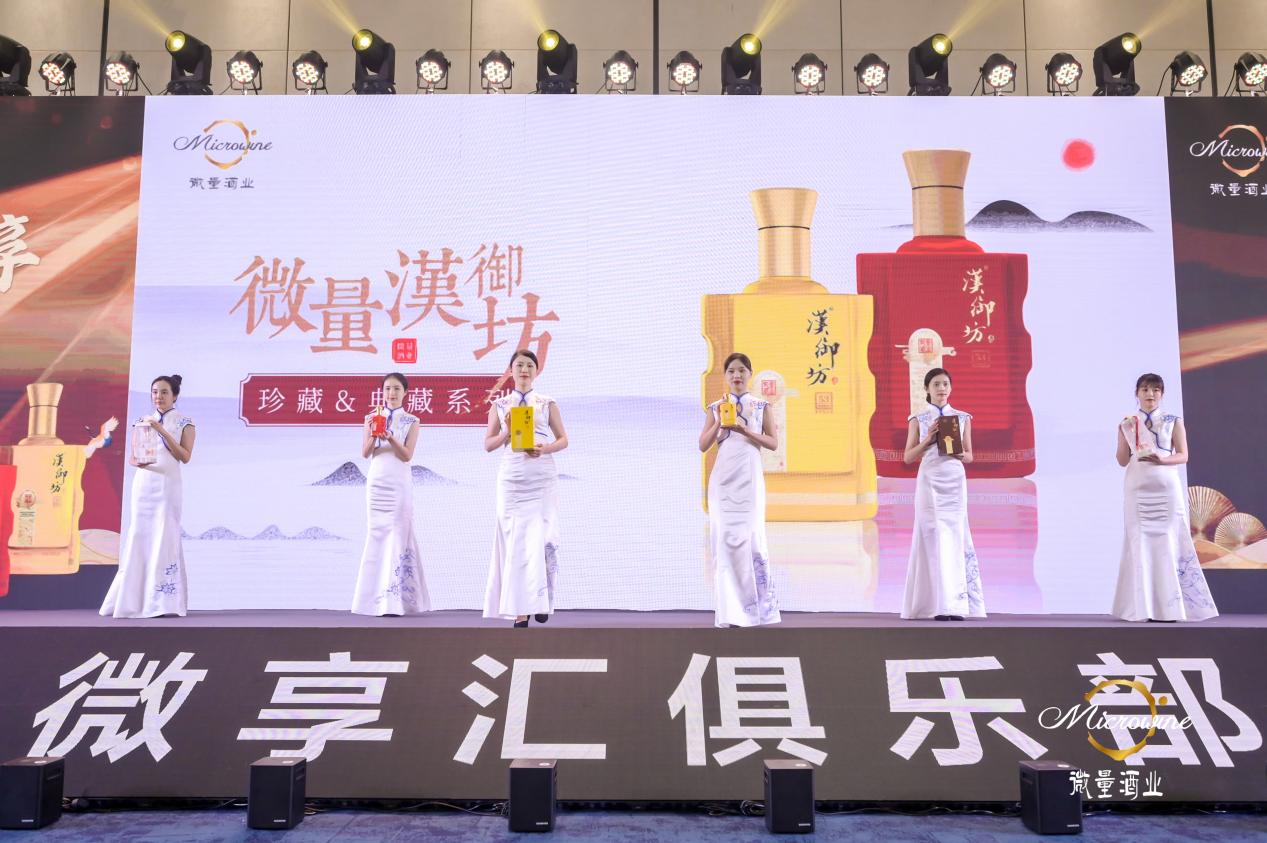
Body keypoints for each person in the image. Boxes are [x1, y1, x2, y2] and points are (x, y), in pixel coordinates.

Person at [1112, 373, 1217, 622]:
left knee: (1169, 542)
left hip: (1166, 490)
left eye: (1156, 390)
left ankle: (1172, 608)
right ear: (1137, 393)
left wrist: (1162, 459)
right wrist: (1123, 436)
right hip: (1137, 491)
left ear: (1162, 394)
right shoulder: (1128, 423)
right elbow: (1122, 461)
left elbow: (1183, 455)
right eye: (1145, 389)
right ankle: (1143, 609)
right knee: (1139, 543)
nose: (1150, 394)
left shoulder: (1173, 421)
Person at [482, 350, 569, 627]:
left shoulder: (546, 403)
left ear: (536, 371)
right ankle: (521, 611)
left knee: (543, 539)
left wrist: (545, 449)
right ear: (510, 370)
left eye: (529, 365)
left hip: (541, 476)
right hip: (512, 478)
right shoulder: (499, 404)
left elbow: (563, 439)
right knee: (516, 543)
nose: (524, 369)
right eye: (519, 365)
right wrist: (507, 432)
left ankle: (542, 600)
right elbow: (488, 444)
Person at [100, 375, 196, 618]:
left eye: (164, 392)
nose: (158, 396)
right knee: (139, 534)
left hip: (167, 484)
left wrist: (161, 430)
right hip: (144, 485)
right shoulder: (141, 421)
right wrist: (138, 461)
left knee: (164, 534)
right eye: (155, 392)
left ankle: (161, 602)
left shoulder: (185, 422)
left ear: (175, 395)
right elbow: (134, 457)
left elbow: (184, 456)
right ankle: (132, 600)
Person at [699, 352, 781, 628]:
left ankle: (758, 611)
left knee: (752, 540)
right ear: (725, 376)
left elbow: (773, 443)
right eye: (731, 371)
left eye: (742, 370)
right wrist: (720, 425)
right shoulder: (715, 407)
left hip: (749, 477)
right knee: (724, 543)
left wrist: (744, 430)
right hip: (723, 480)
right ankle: (729, 612)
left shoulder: (761, 406)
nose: (737, 375)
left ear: (750, 374)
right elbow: (702, 445)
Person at [900, 368, 985, 621]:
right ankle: (935, 605)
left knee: (955, 536)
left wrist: (956, 451)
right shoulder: (917, 419)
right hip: (929, 481)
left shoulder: (962, 418)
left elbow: (969, 456)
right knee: (932, 536)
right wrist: (928, 439)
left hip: (954, 482)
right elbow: (908, 457)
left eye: (945, 384)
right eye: (936, 384)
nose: (941, 388)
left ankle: (956, 605)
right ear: (927, 388)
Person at [351, 373, 430, 616]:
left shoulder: (412, 420)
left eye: (396, 389)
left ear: (405, 392)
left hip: (398, 482)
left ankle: (395, 602)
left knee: (397, 533)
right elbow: (365, 453)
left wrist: (391, 438)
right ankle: (370, 601)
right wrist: (375, 435)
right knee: (376, 534)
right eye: (387, 389)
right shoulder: (371, 418)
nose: (391, 393)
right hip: (377, 481)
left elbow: (407, 455)